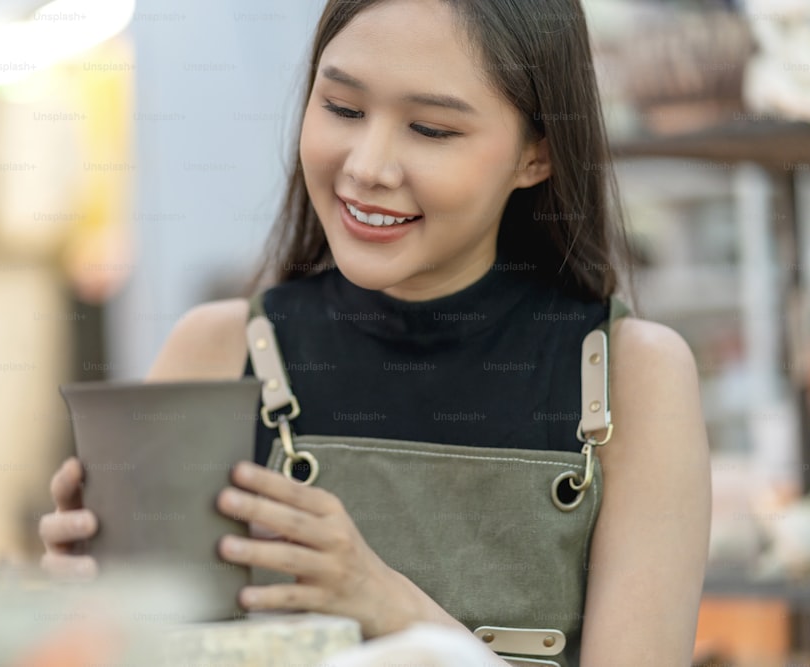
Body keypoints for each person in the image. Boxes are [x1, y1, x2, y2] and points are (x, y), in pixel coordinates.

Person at [39, 0, 711, 664]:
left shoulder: (628, 375)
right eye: (343, 109)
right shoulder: (217, 351)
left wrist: (389, 605)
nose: (367, 166)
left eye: (431, 128)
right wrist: (94, 611)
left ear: (537, 153)